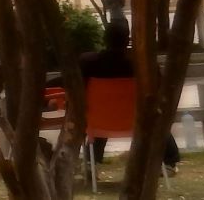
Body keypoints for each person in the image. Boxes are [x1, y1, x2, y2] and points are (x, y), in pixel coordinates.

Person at [77, 21, 180, 176]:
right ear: (128, 40)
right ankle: (169, 161)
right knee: (156, 119)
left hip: (99, 121)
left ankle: (91, 162)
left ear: (104, 39)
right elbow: (159, 87)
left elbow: (77, 85)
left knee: (103, 110)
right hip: (138, 119)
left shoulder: (88, 62)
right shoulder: (142, 63)